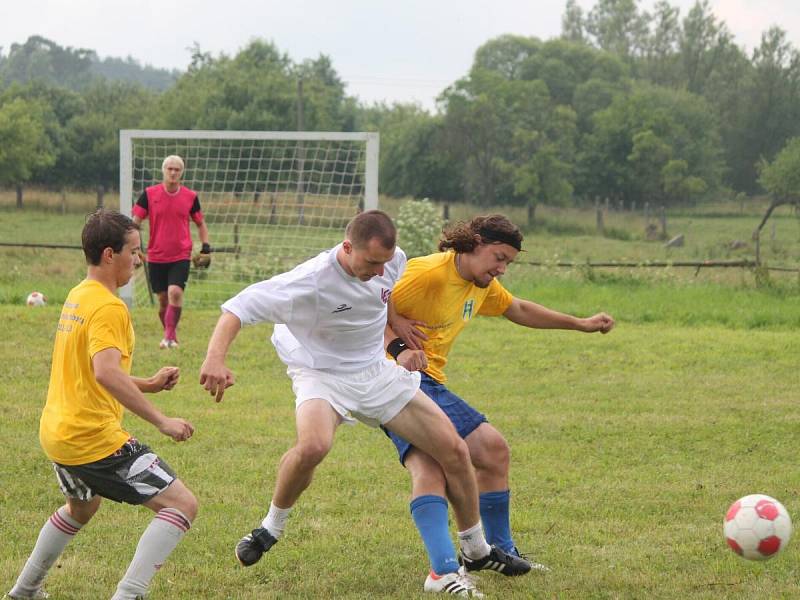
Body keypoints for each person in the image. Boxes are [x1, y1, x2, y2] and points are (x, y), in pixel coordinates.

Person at [199, 210, 529, 596]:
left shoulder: (393, 261)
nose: (378, 271)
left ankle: (475, 550)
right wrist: (214, 359)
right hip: (321, 373)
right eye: (370, 263)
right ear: (346, 247)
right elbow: (235, 310)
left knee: (454, 449)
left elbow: (383, 294)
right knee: (313, 446)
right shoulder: (308, 282)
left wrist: (397, 338)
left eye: (384, 264)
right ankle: (270, 527)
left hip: (375, 372)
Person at [384, 214, 615, 582]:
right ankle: (478, 557)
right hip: (397, 380)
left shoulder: (480, 283)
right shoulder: (426, 272)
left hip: (424, 380)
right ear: (475, 243)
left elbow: (517, 308)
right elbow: (367, 305)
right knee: (490, 448)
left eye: (508, 261)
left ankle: (449, 568)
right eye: (499, 257)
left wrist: (580, 323)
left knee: (432, 465)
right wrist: (395, 340)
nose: (502, 268)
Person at [7, 210, 197, 600]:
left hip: (58, 433)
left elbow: (91, 368)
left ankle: (25, 591)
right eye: (134, 251)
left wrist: (148, 385)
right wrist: (161, 420)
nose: (139, 259)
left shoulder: (79, 295)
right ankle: (128, 595)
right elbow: (106, 374)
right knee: (181, 504)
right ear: (110, 254)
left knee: (82, 507)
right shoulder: (110, 307)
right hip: (91, 439)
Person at [132, 154, 211, 349]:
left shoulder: (191, 197)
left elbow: (200, 224)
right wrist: (134, 249)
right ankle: (171, 335)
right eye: (170, 169)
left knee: (175, 292)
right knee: (163, 300)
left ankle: (167, 337)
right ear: (164, 171)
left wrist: (205, 247)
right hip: (156, 255)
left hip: (181, 255)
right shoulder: (149, 194)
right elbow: (135, 223)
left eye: (177, 169)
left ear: (182, 172)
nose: (173, 172)